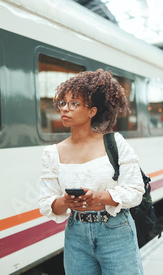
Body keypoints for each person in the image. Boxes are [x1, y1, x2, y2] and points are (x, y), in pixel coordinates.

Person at [38, 69, 145, 275]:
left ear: (92, 112)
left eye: (74, 103)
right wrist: (66, 202)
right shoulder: (52, 153)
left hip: (116, 230)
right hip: (76, 234)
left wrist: (100, 196)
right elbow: (46, 202)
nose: (65, 109)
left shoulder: (115, 143)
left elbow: (135, 190)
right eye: (63, 103)